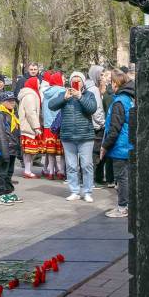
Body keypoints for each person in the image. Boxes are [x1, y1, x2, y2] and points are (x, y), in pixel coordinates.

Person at [49, 71, 97, 202]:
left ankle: (87, 191)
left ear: (83, 82)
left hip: (85, 136)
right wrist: (64, 98)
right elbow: (51, 105)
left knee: (86, 165)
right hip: (68, 135)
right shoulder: (64, 95)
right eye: (74, 80)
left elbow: (92, 109)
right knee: (71, 165)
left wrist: (80, 97)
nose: (76, 82)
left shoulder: (89, 94)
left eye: (79, 80)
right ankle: (74, 191)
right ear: (70, 82)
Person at [103, 70, 136, 218]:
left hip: (120, 147)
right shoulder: (130, 99)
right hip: (128, 145)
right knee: (127, 178)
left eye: (111, 82)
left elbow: (114, 129)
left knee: (121, 178)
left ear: (115, 84)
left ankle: (123, 207)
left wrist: (105, 146)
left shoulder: (119, 102)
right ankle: (128, 205)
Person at [0, 91, 21, 205]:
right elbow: (0, 134)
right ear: (3, 102)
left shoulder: (11, 114)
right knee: (2, 172)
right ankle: (2, 194)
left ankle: (8, 192)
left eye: (13, 100)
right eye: (9, 100)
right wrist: (4, 151)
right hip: (3, 149)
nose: (12, 102)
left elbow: (15, 133)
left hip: (12, 148)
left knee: (9, 172)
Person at [86, 65, 110, 187]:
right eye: (100, 75)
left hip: (92, 124)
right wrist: (103, 123)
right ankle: (95, 178)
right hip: (96, 126)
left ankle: (95, 178)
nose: (102, 78)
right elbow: (97, 109)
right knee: (96, 153)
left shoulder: (90, 87)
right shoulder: (94, 89)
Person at [41, 71, 66, 181]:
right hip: (60, 125)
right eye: (63, 78)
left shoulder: (46, 93)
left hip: (48, 126)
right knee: (62, 151)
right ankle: (62, 171)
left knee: (51, 151)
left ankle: (51, 172)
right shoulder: (63, 91)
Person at [17, 75, 43, 178]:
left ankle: (28, 170)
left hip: (28, 126)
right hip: (29, 127)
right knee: (29, 151)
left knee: (29, 151)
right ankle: (27, 171)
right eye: (38, 82)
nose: (40, 84)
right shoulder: (30, 96)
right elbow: (30, 112)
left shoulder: (30, 94)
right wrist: (36, 127)